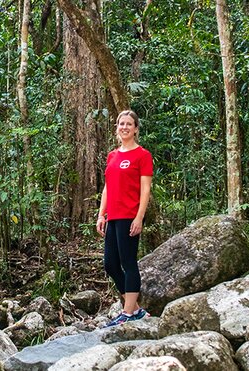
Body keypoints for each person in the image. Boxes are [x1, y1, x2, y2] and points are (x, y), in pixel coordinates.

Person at [96, 110, 153, 327]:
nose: (125, 127)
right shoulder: (112, 156)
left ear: (136, 128)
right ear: (117, 127)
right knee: (110, 264)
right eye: (121, 124)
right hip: (113, 216)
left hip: (130, 215)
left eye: (129, 124)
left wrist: (139, 217)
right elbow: (108, 188)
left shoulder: (142, 155)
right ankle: (136, 310)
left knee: (128, 262)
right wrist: (102, 214)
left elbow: (145, 190)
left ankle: (128, 312)